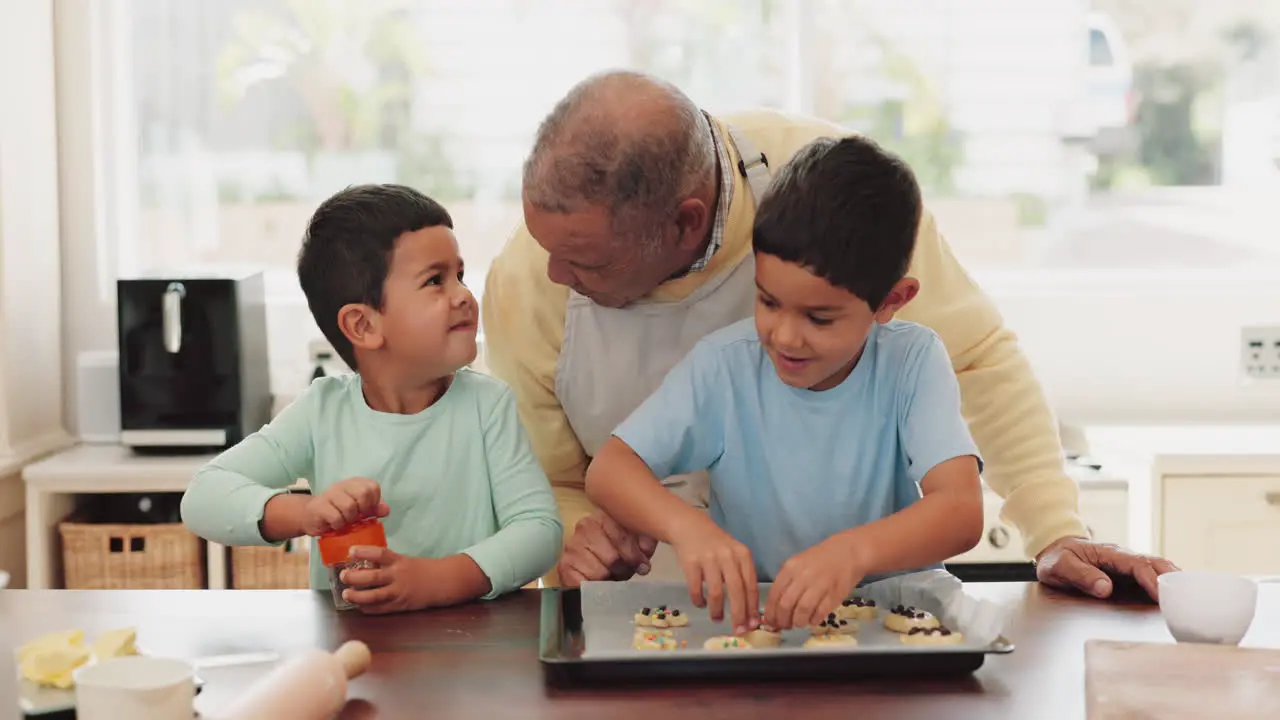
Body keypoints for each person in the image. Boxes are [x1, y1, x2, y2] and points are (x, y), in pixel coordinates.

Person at [482, 70, 1178, 602]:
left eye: (589, 263)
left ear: (687, 225)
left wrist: (1055, 531)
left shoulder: (837, 193)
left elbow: (977, 360)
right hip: (665, 612)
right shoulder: (532, 277)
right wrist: (580, 538)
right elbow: (551, 481)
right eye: (768, 304)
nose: (555, 273)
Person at [585, 135, 985, 633]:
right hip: (764, 631)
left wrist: (853, 553)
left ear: (890, 301)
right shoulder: (725, 366)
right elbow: (610, 470)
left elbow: (961, 510)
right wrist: (688, 528)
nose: (785, 336)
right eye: (768, 302)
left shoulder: (913, 361)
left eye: (819, 318)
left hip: (896, 622)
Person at [182, 184, 562, 614]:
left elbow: (539, 531)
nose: (463, 295)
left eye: (460, 275)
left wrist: (436, 581)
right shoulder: (322, 412)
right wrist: (307, 514)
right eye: (435, 281)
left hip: (474, 653)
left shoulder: (488, 405)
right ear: (363, 326)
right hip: (356, 651)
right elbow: (203, 497)